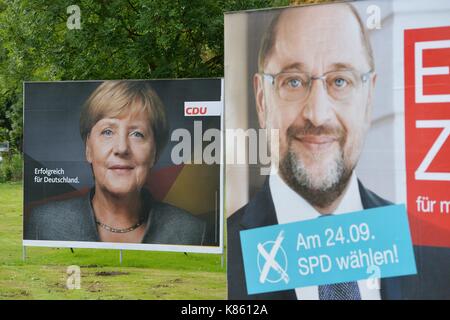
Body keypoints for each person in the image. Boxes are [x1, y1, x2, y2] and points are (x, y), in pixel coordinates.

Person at [227, 3, 450, 299]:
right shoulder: (227, 250)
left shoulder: (433, 252)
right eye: (293, 81)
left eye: (340, 81)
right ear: (262, 99)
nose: (317, 115)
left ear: (369, 96)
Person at [25, 80, 207, 245]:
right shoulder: (45, 223)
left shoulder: (191, 231)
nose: (121, 148)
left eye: (137, 134)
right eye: (107, 132)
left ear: (155, 153)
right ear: (88, 148)